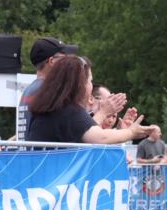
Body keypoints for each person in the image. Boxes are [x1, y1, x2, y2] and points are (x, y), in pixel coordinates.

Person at [26, 55, 154, 144]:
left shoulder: (53, 108)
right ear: (78, 84)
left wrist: (120, 129)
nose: (91, 85)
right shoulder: (68, 111)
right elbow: (101, 137)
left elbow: (85, 131)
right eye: (90, 81)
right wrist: (131, 132)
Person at [17, 37, 78, 141]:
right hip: (43, 155)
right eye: (64, 58)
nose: (68, 62)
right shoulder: (47, 90)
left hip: (31, 154)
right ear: (52, 61)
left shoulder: (30, 89)